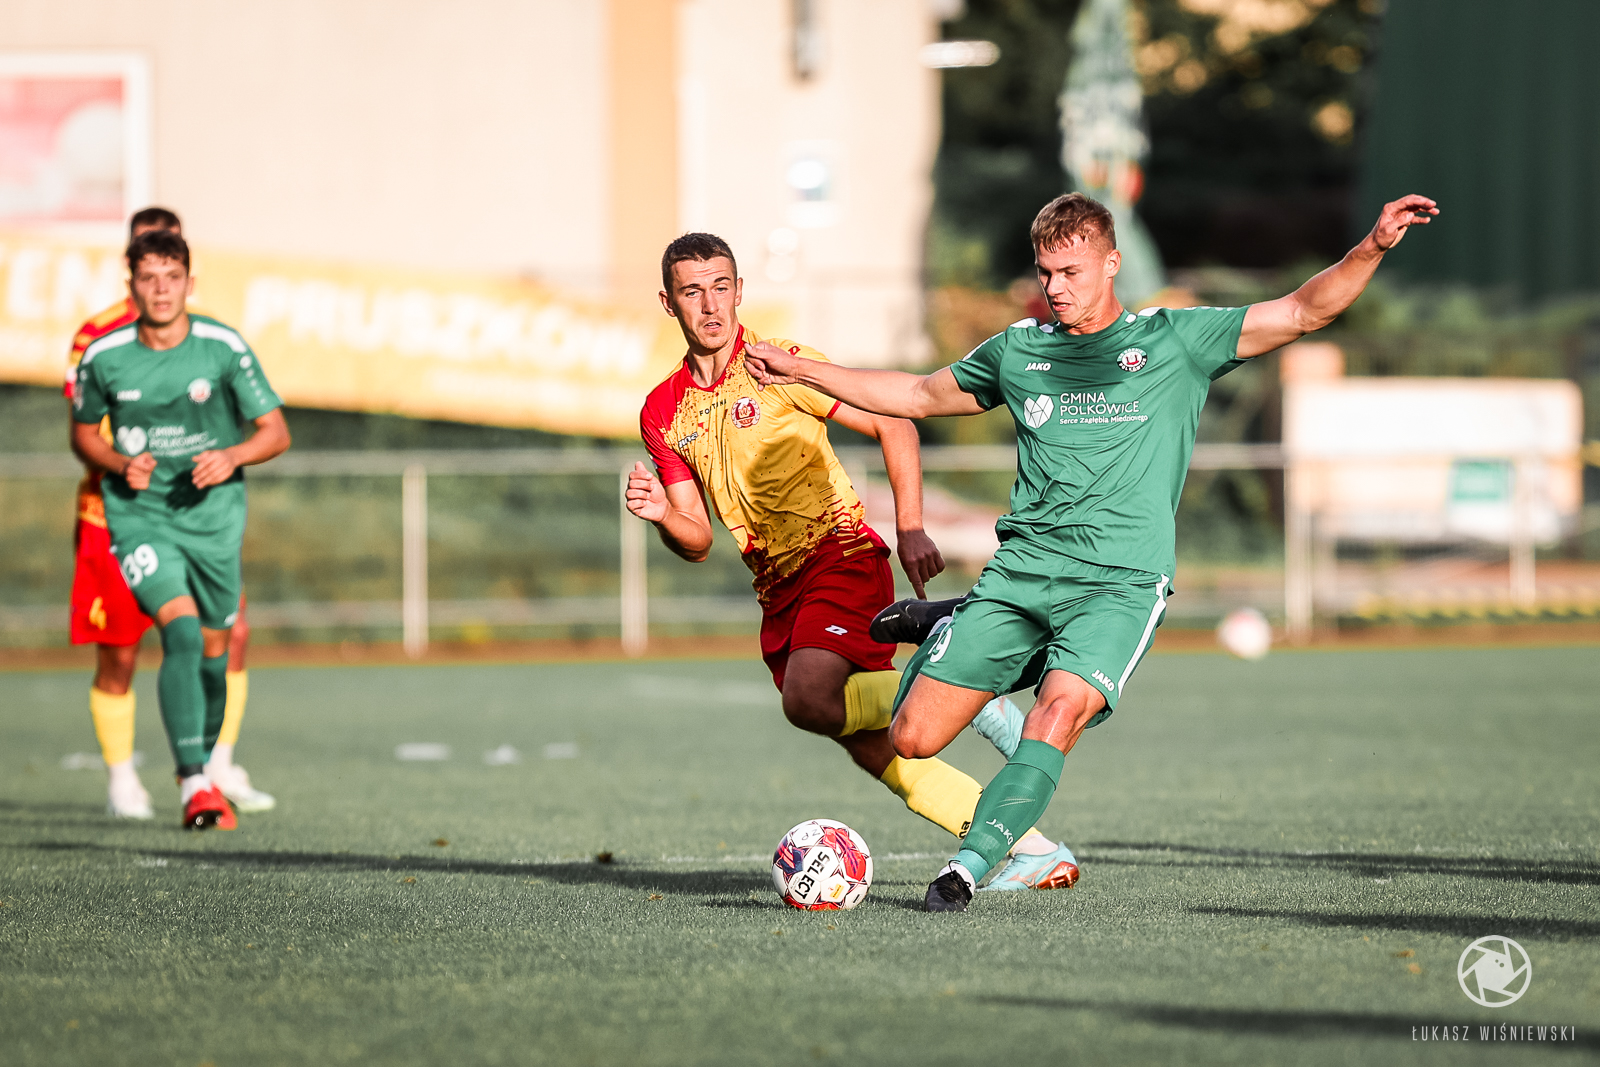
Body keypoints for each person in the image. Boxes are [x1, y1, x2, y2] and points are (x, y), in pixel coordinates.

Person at [745, 191, 1438, 911]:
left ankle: (969, 867)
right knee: (913, 737)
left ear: (1112, 264)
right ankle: (959, 625)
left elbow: (1301, 312)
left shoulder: (1174, 340)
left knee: (1057, 713)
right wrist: (804, 371)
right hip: (1022, 576)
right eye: (1045, 272)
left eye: (1071, 272)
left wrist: (1371, 247)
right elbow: (918, 394)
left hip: (1120, 585)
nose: (1055, 288)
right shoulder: (1019, 350)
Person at [626, 233, 1077, 879]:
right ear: (668, 303)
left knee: (808, 699)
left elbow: (895, 423)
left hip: (838, 553)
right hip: (776, 587)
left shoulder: (781, 366)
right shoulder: (663, 410)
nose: (710, 304)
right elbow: (695, 538)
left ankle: (962, 690)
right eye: (692, 291)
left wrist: (911, 527)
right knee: (873, 745)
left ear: (740, 291)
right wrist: (663, 515)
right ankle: (1030, 847)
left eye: (721, 286)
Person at [70, 228, 291, 830]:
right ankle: (194, 782)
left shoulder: (222, 347)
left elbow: (276, 431)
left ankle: (210, 764)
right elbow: (83, 432)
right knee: (182, 632)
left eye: (172, 277)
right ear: (132, 285)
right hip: (140, 518)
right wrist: (119, 464)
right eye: (149, 277)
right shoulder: (104, 354)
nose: (161, 289)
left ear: (190, 283)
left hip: (213, 522)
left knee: (218, 656)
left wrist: (232, 456)